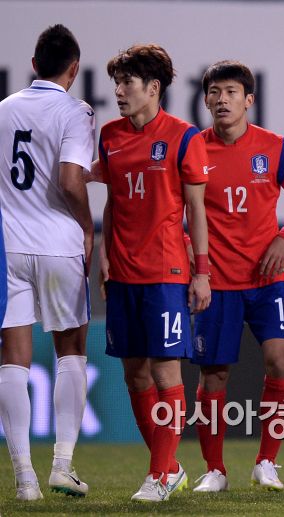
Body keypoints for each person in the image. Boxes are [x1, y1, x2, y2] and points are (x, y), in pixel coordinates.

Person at [191, 60, 284, 493]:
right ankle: (215, 469)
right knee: (214, 376)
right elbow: (178, 212)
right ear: (205, 98)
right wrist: (196, 265)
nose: (221, 100)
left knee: (279, 360)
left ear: (249, 99)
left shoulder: (275, 147)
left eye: (230, 92)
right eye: (214, 92)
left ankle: (267, 461)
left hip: (268, 278)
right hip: (217, 282)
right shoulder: (193, 149)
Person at [97, 44, 210, 502]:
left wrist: (201, 272)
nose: (119, 92)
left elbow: (196, 211)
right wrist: (103, 259)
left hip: (165, 272)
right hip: (122, 274)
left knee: (166, 374)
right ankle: (171, 467)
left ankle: (159, 474)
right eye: (117, 83)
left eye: (127, 83)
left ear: (154, 88)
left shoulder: (184, 137)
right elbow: (112, 202)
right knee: (134, 376)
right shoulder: (109, 135)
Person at [0, 24, 94, 500]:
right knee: (71, 351)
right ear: (73, 70)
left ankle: (24, 479)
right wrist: (88, 226)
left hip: (8, 247)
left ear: (34, 64)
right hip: (59, 244)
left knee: (11, 361)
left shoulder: (3, 110)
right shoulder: (75, 110)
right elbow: (71, 178)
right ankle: (62, 464)